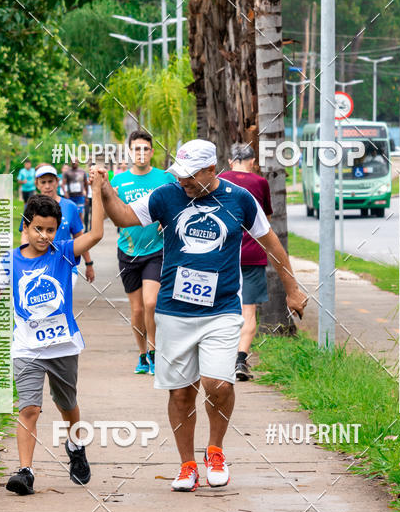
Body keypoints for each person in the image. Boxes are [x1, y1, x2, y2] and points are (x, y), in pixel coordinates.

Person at [98, 139, 307, 492]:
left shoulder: (239, 199)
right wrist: (103, 188)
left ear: (211, 170)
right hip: (174, 311)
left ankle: (215, 451)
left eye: (190, 176)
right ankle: (186, 465)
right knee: (180, 393)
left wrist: (293, 289)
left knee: (218, 384)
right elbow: (123, 217)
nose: (183, 182)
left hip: (221, 310)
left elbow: (272, 244)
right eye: (180, 175)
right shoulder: (167, 195)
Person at [0, 175, 107, 495]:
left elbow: (96, 233)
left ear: (58, 230)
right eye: (38, 228)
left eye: (50, 229)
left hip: (62, 345)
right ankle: (25, 471)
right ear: (25, 227)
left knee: (67, 404)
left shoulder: (64, 252)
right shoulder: (9, 261)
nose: (44, 235)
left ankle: (75, 445)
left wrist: (97, 192)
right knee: (29, 408)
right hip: (27, 346)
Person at [111, 130, 174, 375]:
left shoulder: (164, 179)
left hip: (156, 250)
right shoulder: (118, 181)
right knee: (137, 309)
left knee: (152, 302)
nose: (141, 153)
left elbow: (178, 204)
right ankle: (142, 355)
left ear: (152, 152)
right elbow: (109, 213)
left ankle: (154, 350)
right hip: (127, 251)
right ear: (129, 152)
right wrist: (109, 198)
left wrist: (166, 219)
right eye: (136, 149)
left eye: (145, 149)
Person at [220, 143, 273, 381]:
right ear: (252, 161)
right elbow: (265, 221)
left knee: (221, 309)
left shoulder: (220, 179)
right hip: (252, 255)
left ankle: (220, 358)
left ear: (231, 161)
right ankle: (240, 360)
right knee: (248, 311)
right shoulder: (260, 183)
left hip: (223, 254)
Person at [19, 165, 95, 285]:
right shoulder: (31, 206)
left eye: (50, 181)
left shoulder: (70, 206)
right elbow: (25, 234)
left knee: (60, 300)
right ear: (37, 184)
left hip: (65, 266)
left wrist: (89, 263)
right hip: (39, 266)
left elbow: (79, 238)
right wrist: (26, 261)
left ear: (57, 182)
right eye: (43, 182)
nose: (47, 186)